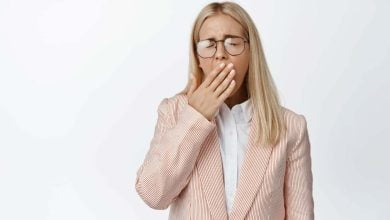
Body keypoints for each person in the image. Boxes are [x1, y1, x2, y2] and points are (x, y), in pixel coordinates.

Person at [135, 1, 314, 219]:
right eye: (209, 44)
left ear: (251, 52)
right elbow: (153, 195)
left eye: (233, 43)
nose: (220, 54)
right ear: (198, 57)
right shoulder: (173, 112)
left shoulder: (290, 127)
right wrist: (195, 116)